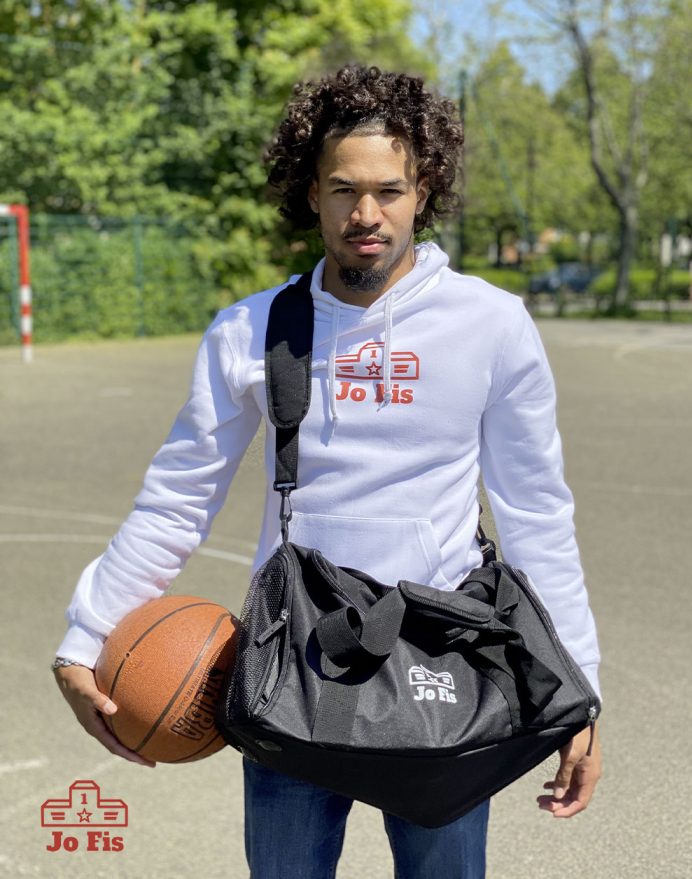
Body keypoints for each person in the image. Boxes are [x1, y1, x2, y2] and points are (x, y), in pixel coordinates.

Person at [53, 65, 602, 878]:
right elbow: (178, 498)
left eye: (391, 189)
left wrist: (577, 690)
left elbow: (536, 515)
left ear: (426, 188)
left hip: (441, 664)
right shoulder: (251, 331)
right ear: (310, 191)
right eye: (344, 189)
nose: (367, 215)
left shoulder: (491, 326)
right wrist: (88, 631)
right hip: (292, 667)